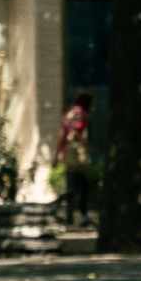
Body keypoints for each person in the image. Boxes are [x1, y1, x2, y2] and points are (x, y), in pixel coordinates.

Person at [57, 96, 93, 228]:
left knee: (76, 186)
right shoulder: (80, 114)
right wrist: (86, 143)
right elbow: (77, 130)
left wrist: (58, 156)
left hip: (69, 155)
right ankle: (82, 216)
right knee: (83, 188)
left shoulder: (68, 114)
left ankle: (71, 214)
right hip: (78, 155)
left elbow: (62, 136)